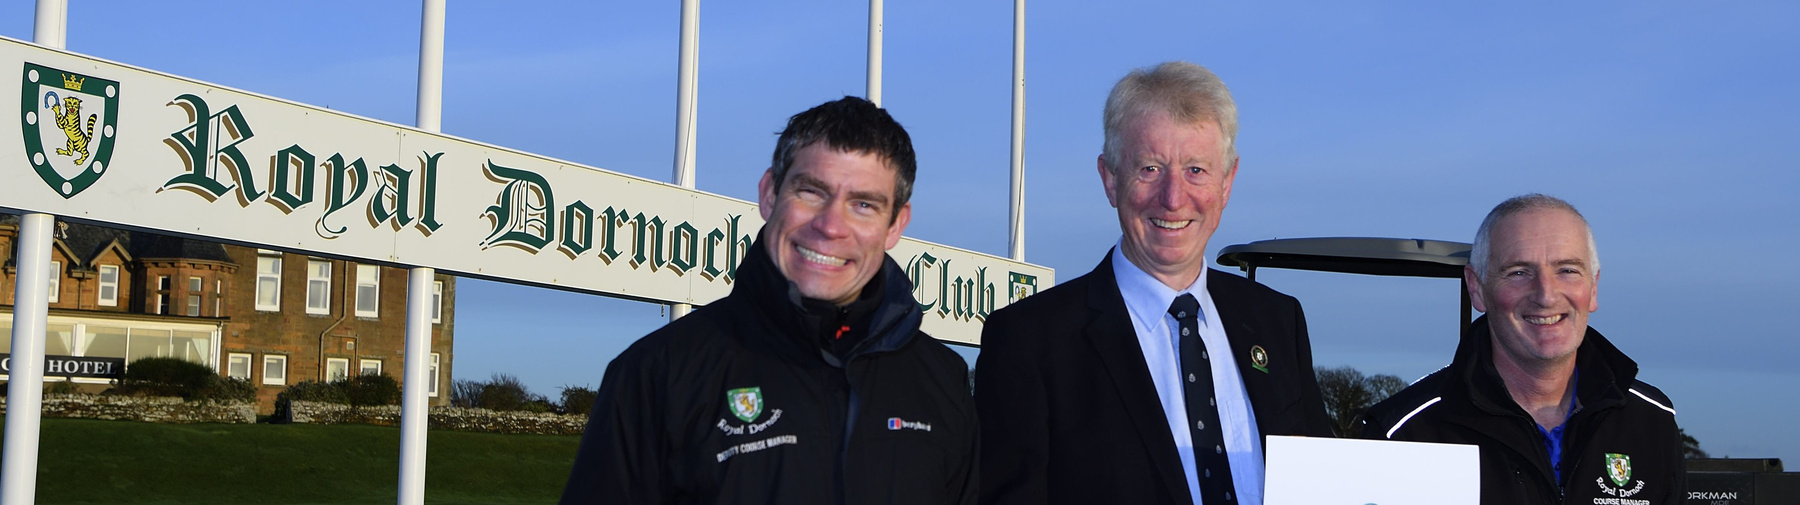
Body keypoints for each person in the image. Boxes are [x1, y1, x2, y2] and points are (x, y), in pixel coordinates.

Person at [560, 96, 977, 505]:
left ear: (895, 225)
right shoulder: (657, 373)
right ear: (769, 194)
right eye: (812, 192)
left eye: (864, 204)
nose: (831, 226)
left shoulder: (943, 380)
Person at [975, 61, 1333, 505]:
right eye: (1150, 168)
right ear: (1110, 179)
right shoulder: (1030, 342)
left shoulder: (1279, 323)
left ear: (1227, 182)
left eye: (1196, 170)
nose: (1173, 197)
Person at [1360, 194, 1684, 504]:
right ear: (1477, 288)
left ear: (1594, 287)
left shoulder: (1651, 422)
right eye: (1518, 272)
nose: (1545, 295)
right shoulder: (1404, 434)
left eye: (1567, 270)